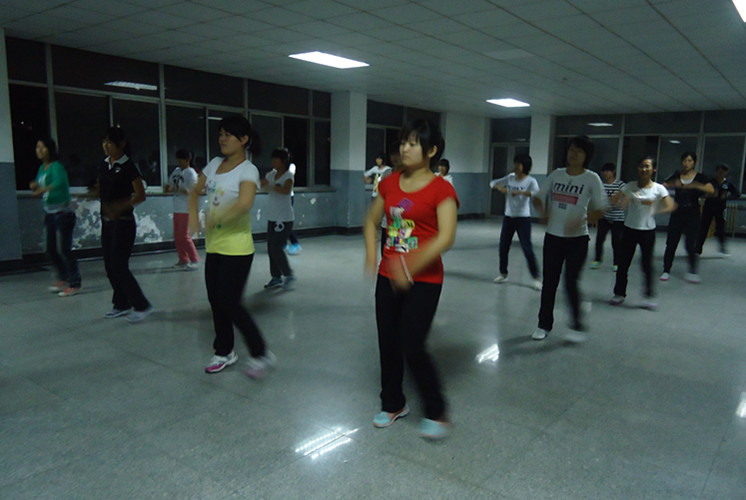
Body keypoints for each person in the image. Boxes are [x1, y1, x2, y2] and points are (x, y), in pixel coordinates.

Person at [364, 119, 458, 440]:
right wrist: (372, 255)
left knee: (412, 343)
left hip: (425, 279)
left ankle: (436, 409)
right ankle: (393, 403)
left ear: (431, 151)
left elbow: (446, 237)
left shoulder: (442, 189)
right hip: (388, 275)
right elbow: (372, 221)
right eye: (403, 142)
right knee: (388, 341)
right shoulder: (390, 182)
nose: (405, 148)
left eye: (413, 143)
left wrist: (411, 265)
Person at [188, 115, 274, 378]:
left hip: (237, 248)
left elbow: (245, 204)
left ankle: (260, 352)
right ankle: (224, 351)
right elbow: (194, 191)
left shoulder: (248, 170)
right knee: (216, 301)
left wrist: (216, 218)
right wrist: (193, 218)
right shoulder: (214, 164)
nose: (222, 139)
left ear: (244, 139)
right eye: (221, 134)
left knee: (230, 302)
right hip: (214, 246)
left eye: (228, 134)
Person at [531, 136, 606, 341]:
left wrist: (584, 218)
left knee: (571, 282)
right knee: (549, 283)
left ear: (586, 156)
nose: (573, 154)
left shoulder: (591, 178)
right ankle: (543, 324)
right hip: (553, 238)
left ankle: (577, 325)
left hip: (577, 239)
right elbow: (538, 197)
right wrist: (543, 213)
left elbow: (601, 209)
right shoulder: (556, 174)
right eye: (572, 149)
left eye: (579, 151)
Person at [85, 127, 153, 323]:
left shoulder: (128, 166)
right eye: (104, 141)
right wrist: (93, 192)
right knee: (109, 265)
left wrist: (121, 207)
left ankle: (142, 305)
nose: (105, 145)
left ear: (121, 144)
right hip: (107, 223)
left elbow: (140, 195)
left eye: (109, 142)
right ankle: (121, 304)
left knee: (118, 265)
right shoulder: (104, 165)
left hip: (123, 223)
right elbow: (102, 187)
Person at [609, 157, 676, 310]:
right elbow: (618, 202)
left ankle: (649, 296)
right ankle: (619, 293)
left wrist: (655, 209)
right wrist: (617, 199)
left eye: (647, 166)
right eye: (641, 166)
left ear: (654, 169)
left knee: (647, 265)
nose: (644, 169)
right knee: (623, 264)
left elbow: (670, 205)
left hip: (647, 231)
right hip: (629, 229)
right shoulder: (630, 186)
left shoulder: (659, 188)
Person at [30, 137, 81, 297]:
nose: (39, 150)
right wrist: (35, 186)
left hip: (63, 213)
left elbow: (59, 183)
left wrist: (42, 189)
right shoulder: (42, 168)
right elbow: (41, 186)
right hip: (50, 213)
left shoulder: (57, 167)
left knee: (64, 250)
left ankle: (74, 283)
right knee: (50, 249)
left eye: (42, 147)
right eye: (37, 147)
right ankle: (63, 277)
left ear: (50, 149)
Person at [489, 153, 541, 290]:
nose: (516, 166)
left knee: (527, 248)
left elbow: (537, 193)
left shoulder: (531, 181)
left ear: (525, 166)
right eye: (515, 163)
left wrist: (521, 192)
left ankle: (536, 278)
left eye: (519, 164)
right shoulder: (510, 177)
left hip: (523, 218)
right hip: (508, 217)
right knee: (503, 247)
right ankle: (503, 274)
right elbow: (492, 183)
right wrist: (500, 188)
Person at [660, 152, 714, 283]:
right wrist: (672, 185)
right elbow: (663, 186)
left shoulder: (700, 177)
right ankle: (666, 270)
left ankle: (692, 271)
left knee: (691, 244)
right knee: (671, 242)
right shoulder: (677, 175)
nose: (686, 163)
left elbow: (711, 190)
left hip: (693, 213)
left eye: (689, 161)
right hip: (677, 212)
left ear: (694, 162)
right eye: (684, 161)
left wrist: (695, 185)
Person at [261, 148, 295, 290]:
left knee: (276, 247)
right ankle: (276, 277)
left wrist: (272, 186)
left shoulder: (288, 176)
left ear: (283, 161)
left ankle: (288, 275)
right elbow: (262, 184)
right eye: (273, 159)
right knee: (270, 248)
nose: (273, 162)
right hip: (272, 217)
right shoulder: (271, 175)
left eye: (276, 159)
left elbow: (286, 190)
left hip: (285, 219)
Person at [165, 149, 200, 270]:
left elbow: (190, 191)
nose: (179, 162)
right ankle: (183, 259)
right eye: (178, 160)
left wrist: (176, 188)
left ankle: (195, 259)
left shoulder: (191, 173)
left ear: (188, 159)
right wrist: (170, 188)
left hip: (186, 209)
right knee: (177, 236)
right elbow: (168, 186)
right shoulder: (176, 171)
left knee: (184, 236)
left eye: (181, 160)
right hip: (177, 207)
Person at [696, 164, 740, 256]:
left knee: (721, 228)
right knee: (704, 227)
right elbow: (700, 191)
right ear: (716, 172)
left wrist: (727, 196)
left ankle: (722, 247)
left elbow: (737, 194)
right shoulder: (711, 182)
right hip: (709, 207)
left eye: (723, 172)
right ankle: (698, 248)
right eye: (719, 172)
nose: (721, 174)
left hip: (720, 208)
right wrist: (707, 195)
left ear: (726, 173)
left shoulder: (727, 184)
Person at [590, 163, 625, 271]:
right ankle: (597, 260)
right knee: (599, 239)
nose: (606, 173)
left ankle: (617, 263)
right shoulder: (601, 185)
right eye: (604, 171)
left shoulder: (620, 185)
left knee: (616, 241)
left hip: (618, 218)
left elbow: (626, 196)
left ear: (613, 172)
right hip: (604, 217)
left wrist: (618, 200)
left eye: (608, 171)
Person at [285, 159, 302, 255]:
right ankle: (282, 244)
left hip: (288, 198)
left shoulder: (291, 166)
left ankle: (295, 243)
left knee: (285, 222)